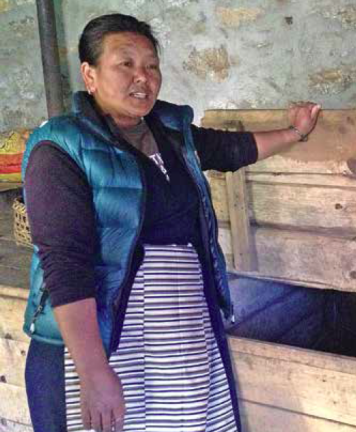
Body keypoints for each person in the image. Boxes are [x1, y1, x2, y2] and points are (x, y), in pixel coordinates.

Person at [22, 13, 321, 432]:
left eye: (151, 65)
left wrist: (295, 132)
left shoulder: (170, 131)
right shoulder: (60, 145)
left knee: (181, 421)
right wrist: (93, 371)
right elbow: (65, 265)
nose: (142, 76)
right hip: (102, 332)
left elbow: (231, 149)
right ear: (89, 75)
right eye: (124, 63)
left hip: (178, 323)